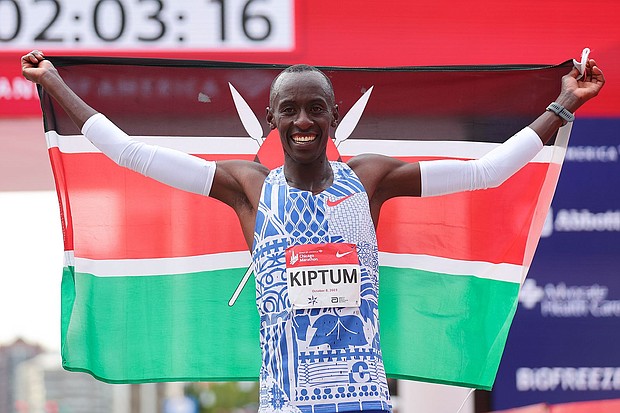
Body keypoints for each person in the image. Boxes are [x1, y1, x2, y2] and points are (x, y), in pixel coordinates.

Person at [22, 50, 604, 413]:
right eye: (290, 110)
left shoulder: (369, 180)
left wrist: (564, 105)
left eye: (315, 108)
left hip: (365, 400)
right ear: (273, 119)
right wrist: (52, 83)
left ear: (332, 115)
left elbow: (487, 172)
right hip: (283, 403)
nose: (303, 121)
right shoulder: (249, 188)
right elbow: (129, 154)